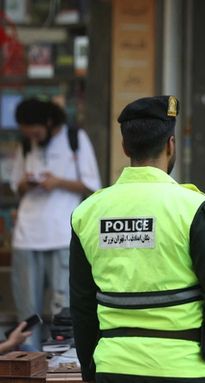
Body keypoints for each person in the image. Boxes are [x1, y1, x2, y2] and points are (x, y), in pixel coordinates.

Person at [69, 96, 205, 383]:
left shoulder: (87, 212)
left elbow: (82, 305)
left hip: (114, 368)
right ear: (170, 144)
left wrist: (90, 369)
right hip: (186, 369)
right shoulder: (194, 208)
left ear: (125, 148)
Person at [10, 98, 101, 349]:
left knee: (64, 310)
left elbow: (92, 185)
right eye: (29, 134)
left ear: (49, 123)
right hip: (27, 237)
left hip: (62, 234)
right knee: (28, 312)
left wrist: (58, 182)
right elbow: (16, 185)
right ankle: (28, 362)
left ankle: (64, 365)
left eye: (37, 133)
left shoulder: (75, 138)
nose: (35, 138)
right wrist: (28, 183)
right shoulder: (26, 144)